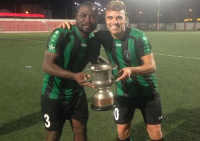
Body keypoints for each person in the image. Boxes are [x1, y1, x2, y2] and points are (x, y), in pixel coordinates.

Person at [60, 1, 163, 140]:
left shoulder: (138, 36)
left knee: (155, 131)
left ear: (125, 18)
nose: (114, 22)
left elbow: (151, 66)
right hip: (123, 93)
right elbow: (85, 35)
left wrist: (131, 70)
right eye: (110, 18)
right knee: (122, 132)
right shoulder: (102, 36)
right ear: (106, 19)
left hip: (147, 92)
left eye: (119, 17)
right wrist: (67, 27)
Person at [41, 1, 101, 141]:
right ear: (76, 16)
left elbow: (95, 61)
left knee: (81, 131)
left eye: (92, 16)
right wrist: (74, 76)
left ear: (97, 19)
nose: (87, 20)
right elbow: (47, 65)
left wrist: (111, 69)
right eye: (83, 15)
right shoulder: (62, 33)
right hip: (54, 94)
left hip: (77, 94)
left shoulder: (94, 41)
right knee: (54, 135)